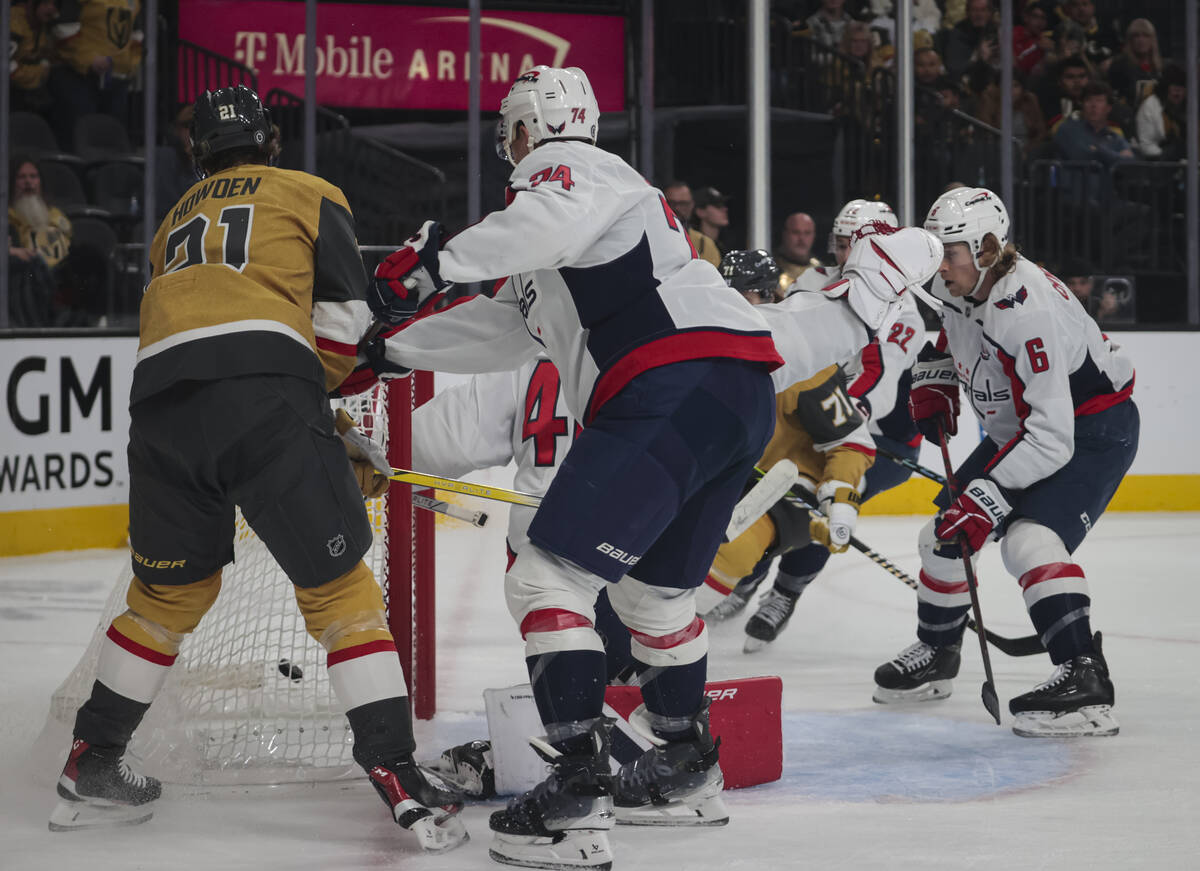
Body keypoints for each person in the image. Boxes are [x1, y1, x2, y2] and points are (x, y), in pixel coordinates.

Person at [360, 65, 932, 869]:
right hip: (733, 393)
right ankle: (684, 768)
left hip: (668, 381)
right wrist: (386, 346)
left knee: (546, 578)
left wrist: (434, 263)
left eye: (511, 133)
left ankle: (577, 796)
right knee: (652, 598)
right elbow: (502, 326)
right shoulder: (564, 231)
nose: (509, 151)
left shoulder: (569, 172)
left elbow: (532, 225)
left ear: (530, 127)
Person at [49, 85, 468, 853]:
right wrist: (330, 418)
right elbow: (339, 331)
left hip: (161, 409)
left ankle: (94, 758)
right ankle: (398, 771)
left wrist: (317, 421)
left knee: (166, 596)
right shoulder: (309, 191)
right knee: (342, 594)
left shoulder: (171, 223)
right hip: (268, 396)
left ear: (196, 153)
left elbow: (205, 334)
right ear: (270, 141)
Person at [873, 187, 1138, 739]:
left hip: (1089, 431)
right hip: (1024, 432)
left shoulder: (1028, 310)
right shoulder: (965, 283)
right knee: (941, 537)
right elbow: (955, 329)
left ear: (987, 248)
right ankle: (940, 652)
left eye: (950, 252)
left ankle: (1085, 681)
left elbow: (1052, 439)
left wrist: (988, 499)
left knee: (1029, 542)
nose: (939, 265)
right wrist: (936, 371)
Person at [708, 203, 928, 649]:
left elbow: (877, 379)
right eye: (842, 243)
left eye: (857, 244)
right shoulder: (811, 282)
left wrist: (839, 414)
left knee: (815, 500)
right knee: (761, 493)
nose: (847, 253)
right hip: (817, 420)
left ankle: (784, 594)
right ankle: (749, 576)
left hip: (883, 437)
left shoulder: (901, 307)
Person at [48, 0, 145, 149]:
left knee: (114, 138)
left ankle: (113, 171)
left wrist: (129, 65)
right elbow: (64, 30)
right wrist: (88, 59)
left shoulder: (133, 2)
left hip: (117, 80)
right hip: (79, 76)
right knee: (80, 136)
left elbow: (136, 36)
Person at [8, 0, 60, 114]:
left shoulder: (41, 24)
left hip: (29, 87)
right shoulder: (14, 23)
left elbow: (45, 53)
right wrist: (39, 72)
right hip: (10, 92)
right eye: (45, 3)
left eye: (54, 5)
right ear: (32, 4)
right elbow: (7, 68)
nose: (51, 9)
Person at [662, 180, 721, 267]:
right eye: (671, 203)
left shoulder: (704, 244)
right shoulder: (649, 239)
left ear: (692, 205)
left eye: (683, 203)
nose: (677, 208)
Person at [1134, 62, 1186, 161]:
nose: (1178, 91)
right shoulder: (1150, 106)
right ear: (1165, 87)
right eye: (1173, 85)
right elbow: (1146, 146)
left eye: (1181, 86)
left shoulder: (1191, 108)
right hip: (1158, 163)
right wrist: (1168, 156)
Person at [773, 212, 822, 293]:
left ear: (814, 235)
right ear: (785, 234)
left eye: (807, 233)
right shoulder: (771, 272)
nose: (802, 239)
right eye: (796, 232)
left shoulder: (822, 272)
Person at [691, 185, 731, 256]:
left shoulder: (724, 246)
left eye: (723, 205)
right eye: (718, 206)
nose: (724, 209)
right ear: (700, 212)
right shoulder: (692, 244)